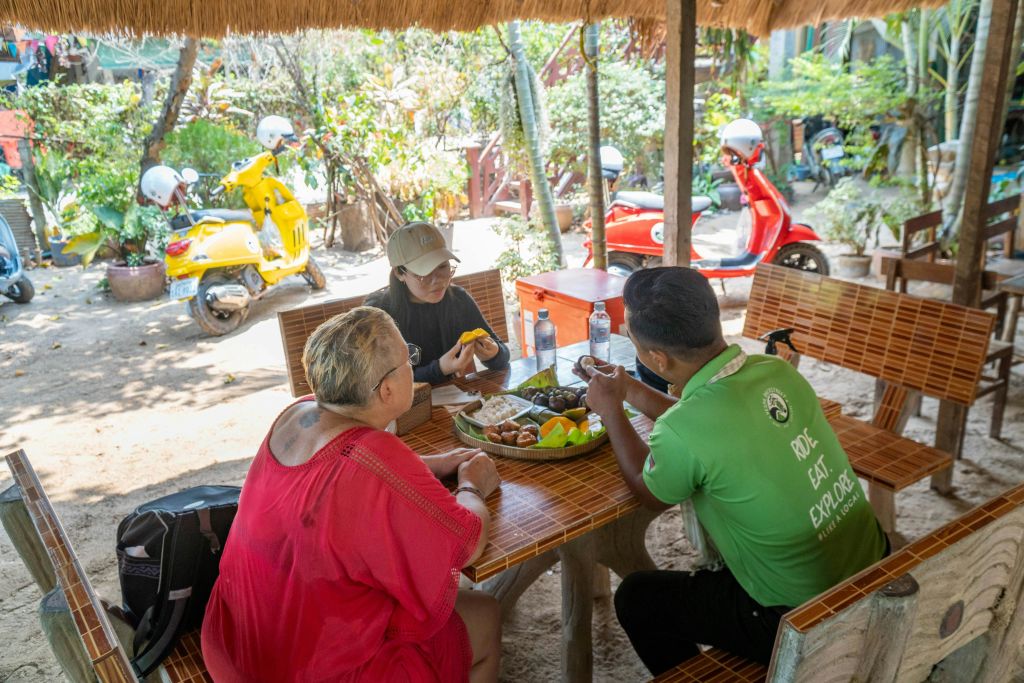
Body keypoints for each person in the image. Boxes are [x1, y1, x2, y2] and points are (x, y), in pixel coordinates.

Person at [574, 267, 886, 674]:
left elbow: (649, 492)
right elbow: (702, 422)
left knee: (637, 598)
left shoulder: (684, 429)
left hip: (803, 617)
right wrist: (628, 389)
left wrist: (611, 411)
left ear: (658, 359)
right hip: (874, 565)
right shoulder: (776, 371)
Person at [202, 306, 503, 682]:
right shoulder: (373, 456)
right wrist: (473, 485)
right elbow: (467, 542)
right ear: (387, 389)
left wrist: (434, 463)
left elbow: (344, 477)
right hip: (305, 670)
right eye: (408, 359)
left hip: (236, 642)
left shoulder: (297, 413)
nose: (413, 365)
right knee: (486, 613)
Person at [365, 222, 510, 384]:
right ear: (399, 272)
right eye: (424, 272)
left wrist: (494, 354)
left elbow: (502, 356)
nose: (438, 280)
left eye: (443, 266)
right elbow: (376, 384)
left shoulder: (458, 300)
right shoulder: (377, 314)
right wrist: (439, 369)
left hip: (456, 396)